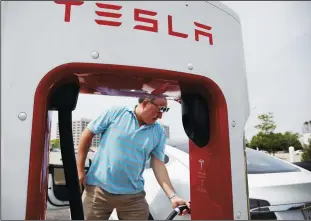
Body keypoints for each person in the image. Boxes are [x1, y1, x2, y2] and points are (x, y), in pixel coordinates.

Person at [76, 95, 190, 220]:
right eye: (160, 110)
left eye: (165, 111)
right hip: (98, 190)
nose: (160, 116)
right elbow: (88, 134)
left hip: (133, 196)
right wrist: (79, 170)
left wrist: (173, 196)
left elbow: (158, 164)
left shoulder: (158, 131)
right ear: (145, 103)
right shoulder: (117, 113)